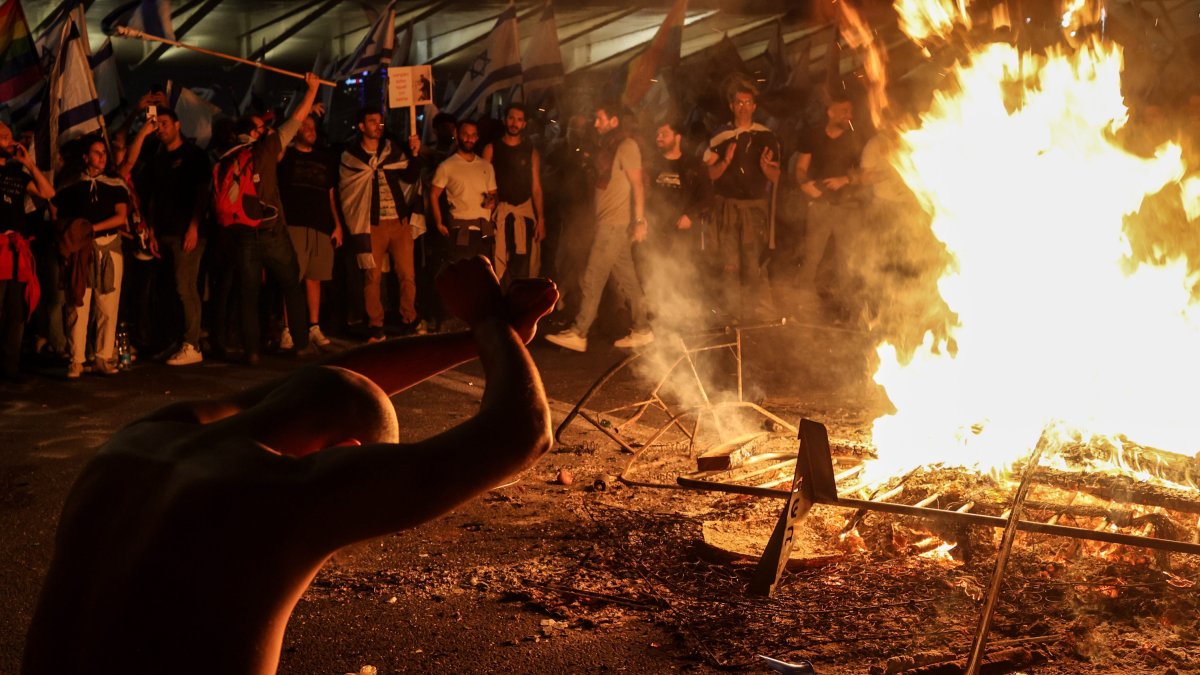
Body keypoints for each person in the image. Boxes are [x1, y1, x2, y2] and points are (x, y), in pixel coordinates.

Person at [22, 257, 556, 675]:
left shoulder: (143, 442)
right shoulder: (279, 494)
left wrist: (482, 338)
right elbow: (521, 433)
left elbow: (328, 377)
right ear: (345, 454)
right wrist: (488, 319)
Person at [224, 72, 322, 364]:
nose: (266, 129)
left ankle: (251, 352)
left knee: (249, 293)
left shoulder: (227, 155)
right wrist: (312, 90)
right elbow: (296, 120)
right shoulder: (265, 148)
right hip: (271, 231)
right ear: (254, 133)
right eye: (261, 127)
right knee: (291, 284)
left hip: (242, 233)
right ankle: (302, 346)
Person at [545, 102, 653, 353]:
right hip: (610, 223)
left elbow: (638, 185)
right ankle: (642, 328)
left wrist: (639, 220)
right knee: (628, 279)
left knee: (592, 277)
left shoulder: (627, 146)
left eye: (600, 118)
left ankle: (579, 331)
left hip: (615, 225)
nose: (596, 123)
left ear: (614, 121)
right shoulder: (608, 148)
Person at [135, 107, 212, 365]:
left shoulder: (194, 156)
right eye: (157, 125)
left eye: (165, 123)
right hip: (164, 232)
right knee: (167, 290)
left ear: (178, 125)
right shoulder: (157, 160)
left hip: (186, 233)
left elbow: (203, 194)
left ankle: (193, 344)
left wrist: (194, 227)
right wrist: (153, 230)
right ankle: (173, 341)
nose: (161, 128)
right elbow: (154, 198)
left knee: (185, 286)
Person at [339, 108, 423, 342]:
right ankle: (376, 324)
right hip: (372, 225)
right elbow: (348, 194)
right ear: (362, 126)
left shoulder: (392, 150)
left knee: (407, 274)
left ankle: (409, 319)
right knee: (372, 277)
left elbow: (409, 178)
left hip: (398, 221)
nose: (378, 125)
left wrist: (415, 155)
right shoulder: (352, 156)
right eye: (372, 121)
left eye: (380, 121)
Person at [703, 81, 781, 321]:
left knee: (753, 262)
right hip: (727, 209)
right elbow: (710, 175)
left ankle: (754, 313)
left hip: (754, 210)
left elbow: (777, 177)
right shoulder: (720, 137)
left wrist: (765, 168)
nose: (744, 107)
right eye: (739, 103)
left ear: (754, 106)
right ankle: (731, 314)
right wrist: (725, 162)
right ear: (732, 106)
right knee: (729, 264)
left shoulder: (766, 137)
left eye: (748, 103)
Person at [52, 136, 130, 379]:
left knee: (108, 305)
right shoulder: (73, 186)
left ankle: (102, 357)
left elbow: (121, 217)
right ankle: (76, 360)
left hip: (108, 248)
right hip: (82, 251)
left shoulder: (115, 184)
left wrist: (92, 228)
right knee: (78, 303)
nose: (102, 157)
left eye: (104, 153)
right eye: (96, 153)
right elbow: (58, 214)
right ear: (86, 157)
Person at [794, 93, 863, 312]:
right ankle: (803, 305)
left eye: (850, 111)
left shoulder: (855, 138)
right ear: (830, 112)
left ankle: (848, 309)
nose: (849, 115)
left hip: (847, 207)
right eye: (844, 111)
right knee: (812, 257)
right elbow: (800, 168)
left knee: (847, 260)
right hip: (821, 205)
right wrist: (805, 184)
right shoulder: (813, 135)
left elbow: (867, 172)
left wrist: (846, 179)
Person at [280, 113, 344, 349]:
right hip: (294, 224)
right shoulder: (286, 157)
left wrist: (337, 224)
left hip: (321, 226)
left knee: (314, 279)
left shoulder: (325, 159)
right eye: (304, 126)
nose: (310, 130)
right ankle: (287, 330)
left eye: (312, 126)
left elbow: (330, 194)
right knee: (292, 280)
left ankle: (313, 327)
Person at [0, 122, 55, 382]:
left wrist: (29, 165)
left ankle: (10, 367)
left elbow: (48, 192)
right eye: (1, 135)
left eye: (9, 135)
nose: (8, 139)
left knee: (16, 309)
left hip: (16, 249)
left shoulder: (17, 173)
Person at [643, 118, 710, 328]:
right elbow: (644, 194)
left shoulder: (693, 165)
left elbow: (707, 197)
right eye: (657, 134)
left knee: (682, 275)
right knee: (654, 273)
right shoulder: (653, 163)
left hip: (682, 233)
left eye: (664, 134)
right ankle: (656, 321)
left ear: (677, 137)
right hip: (656, 231)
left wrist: (690, 215)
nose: (659, 138)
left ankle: (682, 321)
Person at [482, 103, 545, 285]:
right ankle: (501, 304)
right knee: (499, 262)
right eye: (511, 118)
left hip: (524, 213)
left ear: (524, 124)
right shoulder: (491, 149)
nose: (514, 123)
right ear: (504, 120)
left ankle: (523, 307)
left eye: (519, 120)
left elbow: (536, 187)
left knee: (524, 264)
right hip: (501, 213)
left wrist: (540, 219)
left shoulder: (531, 151)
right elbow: (484, 185)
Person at [430, 120, 497, 263]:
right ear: (458, 135)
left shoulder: (486, 166)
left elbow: (493, 194)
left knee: (483, 276)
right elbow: (433, 194)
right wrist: (438, 222)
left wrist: (492, 201)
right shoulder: (447, 166)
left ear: (477, 138)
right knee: (462, 278)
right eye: (465, 134)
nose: (469, 138)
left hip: (483, 232)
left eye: (473, 135)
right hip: (460, 232)